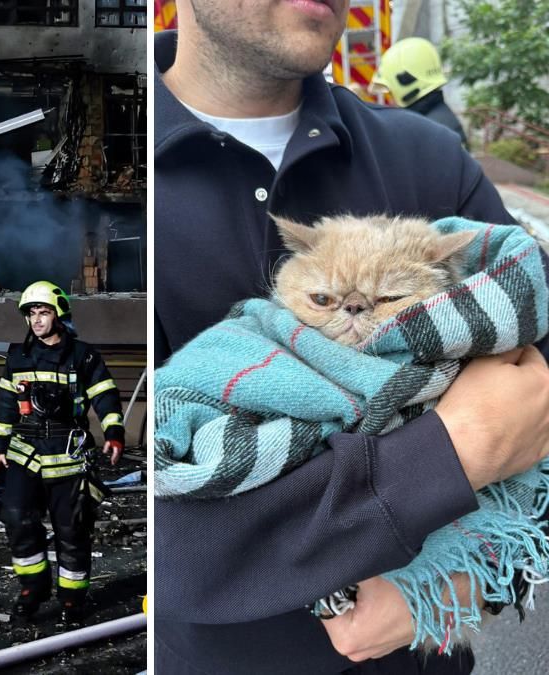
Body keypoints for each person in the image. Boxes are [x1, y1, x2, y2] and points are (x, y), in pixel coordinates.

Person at [154, 1, 549, 673]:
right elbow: (167, 541)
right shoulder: (137, 201)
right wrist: (457, 450)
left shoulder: (428, 158)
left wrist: (477, 577)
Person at [0, 280, 125, 622]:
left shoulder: (83, 355)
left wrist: (114, 432)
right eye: (32, 313)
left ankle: (71, 601)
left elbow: (105, 396)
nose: (37, 320)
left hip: (68, 457)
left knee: (72, 531)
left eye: (44, 312)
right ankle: (32, 591)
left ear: (59, 314)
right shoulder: (17, 356)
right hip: (25, 454)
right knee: (16, 520)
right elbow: (6, 404)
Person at [372, 37, 469, 146]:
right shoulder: (438, 122)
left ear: (406, 81)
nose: (391, 99)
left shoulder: (426, 132)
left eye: (391, 91)